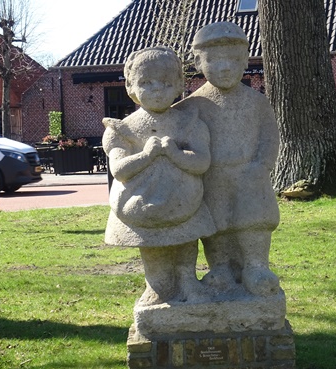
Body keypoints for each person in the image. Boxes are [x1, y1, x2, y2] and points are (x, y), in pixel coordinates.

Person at [102, 47, 216, 305]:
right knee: (152, 246)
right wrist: (146, 155)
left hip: (185, 201)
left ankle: (188, 281)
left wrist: (175, 153)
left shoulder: (189, 123)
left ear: (179, 85)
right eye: (146, 83)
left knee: (186, 240)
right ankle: (157, 284)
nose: (157, 90)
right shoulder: (122, 129)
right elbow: (119, 169)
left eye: (166, 83)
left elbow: (201, 162)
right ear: (130, 86)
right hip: (143, 203)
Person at [175, 22, 281, 297]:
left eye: (233, 59)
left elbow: (270, 137)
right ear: (198, 62)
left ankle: (256, 265)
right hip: (211, 176)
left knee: (254, 220)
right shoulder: (191, 107)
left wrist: (262, 165)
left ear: (245, 60)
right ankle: (220, 268)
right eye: (214, 60)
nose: (225, 67)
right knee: (215, 223)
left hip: (250, 175)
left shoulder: (257, 102)